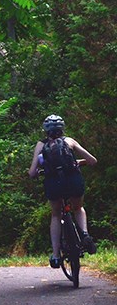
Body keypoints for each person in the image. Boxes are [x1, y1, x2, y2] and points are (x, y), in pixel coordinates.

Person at [29, 114, 97, 268]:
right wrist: (78, 163)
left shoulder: (41, 145)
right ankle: (85, 234)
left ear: (46, 130)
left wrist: (40, 171)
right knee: (78, 207)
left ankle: (55, 255)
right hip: (73, 180)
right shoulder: (69, 141)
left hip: (53, 183)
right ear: (62, 128)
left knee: (56, 214)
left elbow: (32, 172)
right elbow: (92, 160)